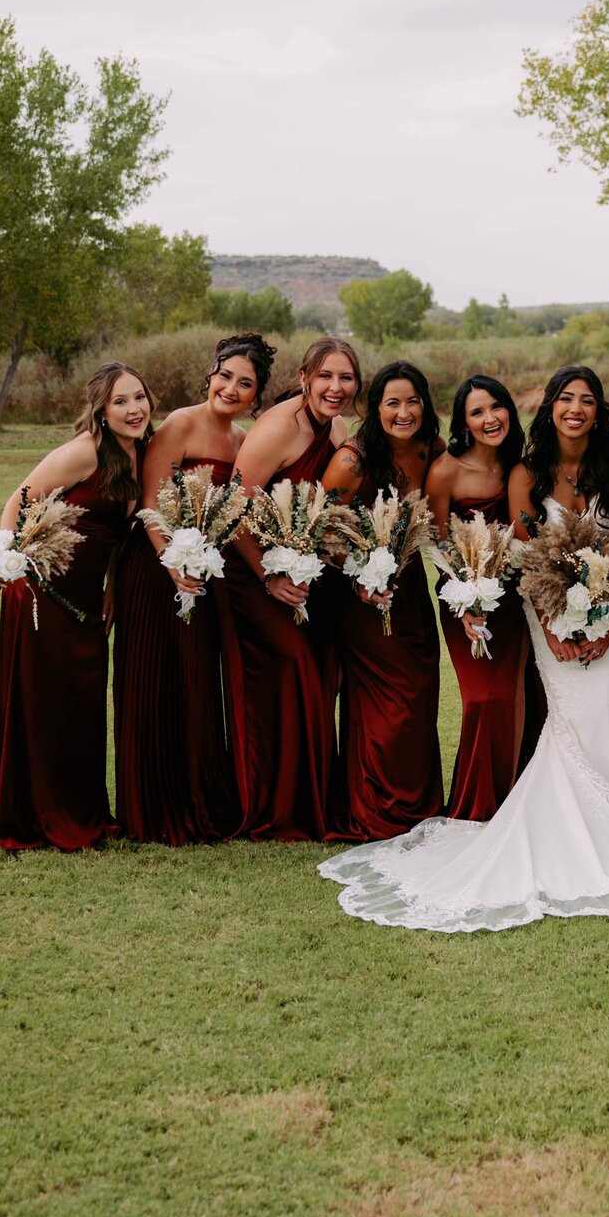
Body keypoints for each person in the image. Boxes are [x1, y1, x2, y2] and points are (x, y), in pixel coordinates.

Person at [318, 364, 609, 933]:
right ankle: (559, 815)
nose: (575, 409)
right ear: (549, 407)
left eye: (587, 400)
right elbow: (528, 555)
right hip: (547, 611)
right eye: (565, 399)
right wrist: (555, 625)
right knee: (569, 710)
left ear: (599, 410)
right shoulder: (526, 473)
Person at [0, 362, 153, 850]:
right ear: (100, 410)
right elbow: (18, 502)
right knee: (44, 706)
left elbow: (120, 536)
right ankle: (38, 816)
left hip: (86, 602)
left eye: (139, 397)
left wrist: (113, 588)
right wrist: (4, 558)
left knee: (82, 705)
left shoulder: (141, 453)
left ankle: (79, 810)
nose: (134, 409)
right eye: (120, 401)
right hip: (42, 594)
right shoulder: (84, 451)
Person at [113, 333, 275, 844]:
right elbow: (149, 501)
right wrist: (173, 562)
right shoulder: (181, 423)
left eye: (244, 384)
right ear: (211, 375)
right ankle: (152, 808)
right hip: (155, 568)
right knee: (155, 681)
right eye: (225, 376)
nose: (231, 388)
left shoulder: (245, 441)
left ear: (256, 395)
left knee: (195, 681)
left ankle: (198, 799)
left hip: (204, 575)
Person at [223, 337, 361, 841]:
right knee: (295, 665)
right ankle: (273, 805)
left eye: (345, 377)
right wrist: (269, 576)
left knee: (324, 669)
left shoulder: (338, 428)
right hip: (252, 572)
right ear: (304, 378)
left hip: (303, 573)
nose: (335, 387)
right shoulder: (279, 426)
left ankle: (312, 799)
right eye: (325, 376)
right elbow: (233, 507)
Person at [322, 360, 445, 839]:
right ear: (375, 409)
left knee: (420, 690)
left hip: (410, 588)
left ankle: (418, 804)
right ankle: (376, 805)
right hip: (359, 595)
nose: (403, 412)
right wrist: (360, 577)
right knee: (385, 702)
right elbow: (321, 530)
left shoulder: (432, 449)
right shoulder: (352, 461)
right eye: (392, 402)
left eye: (413, 401)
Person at [425, 375, 541, 822]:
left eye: (496, 407)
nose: (490, 418)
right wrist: (466, 601)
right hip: (466, 600)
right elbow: (438, 547)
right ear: (463, 422)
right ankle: (477, 808)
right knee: (483, 700)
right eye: (477, 412)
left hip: (517, 599)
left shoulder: (522, 466)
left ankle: (517, 803)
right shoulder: (446, 471)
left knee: (520, 696)